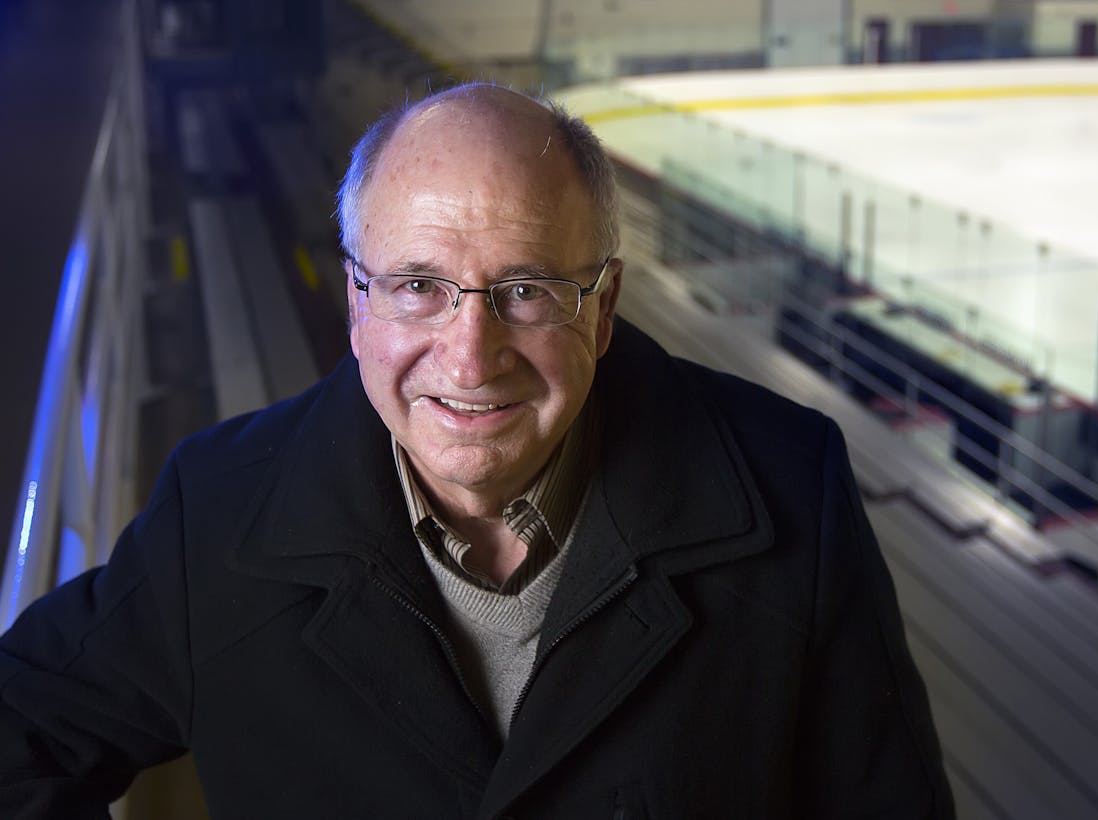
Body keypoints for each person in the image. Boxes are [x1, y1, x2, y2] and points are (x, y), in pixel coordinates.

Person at [0, 83, 952, 818]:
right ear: (356, 300)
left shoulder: (793, 491)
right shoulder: (211, 514)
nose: (470, 354)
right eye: (418, 284)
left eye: (528, 289)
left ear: (606, 307)